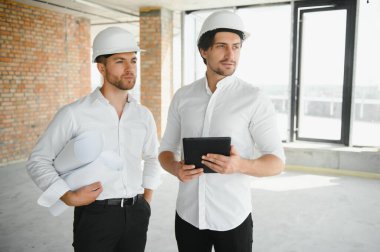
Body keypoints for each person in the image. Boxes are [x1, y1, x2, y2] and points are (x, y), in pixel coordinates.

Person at [158, 10, 285, 252]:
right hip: (188, 216)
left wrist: (239, 165)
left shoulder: (254, 98)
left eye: (236, 47)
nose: (231, 55)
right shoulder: (183, 97)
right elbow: (166, 150)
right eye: (222, 46)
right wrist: (175, 168)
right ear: (204, 51)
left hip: (233, 218)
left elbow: (277, 162)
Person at [26, 26, 161, 252]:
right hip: (96, 215)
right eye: (120, 61)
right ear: (101, 67)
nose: (130, 68)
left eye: (133, 60)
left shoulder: (143, 115)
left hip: (137, 214)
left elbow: (152, 157)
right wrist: (66, 196)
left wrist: (146, 200)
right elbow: (38, 160)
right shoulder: (74, 113)